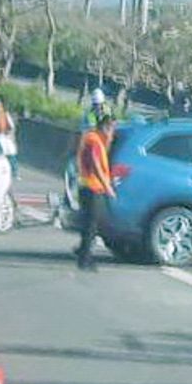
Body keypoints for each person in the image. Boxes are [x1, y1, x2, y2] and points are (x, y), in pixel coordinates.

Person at [74, 112, 116, 270]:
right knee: (91, 226)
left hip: (89, 186)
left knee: (91, 225)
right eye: (111, 130)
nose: (112, 134)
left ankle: (84, 254)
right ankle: (84, 259)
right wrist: (107, 186)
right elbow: (96, 164)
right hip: (92, 187)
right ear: (106, 127)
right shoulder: (94, 140)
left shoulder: (94, 138)